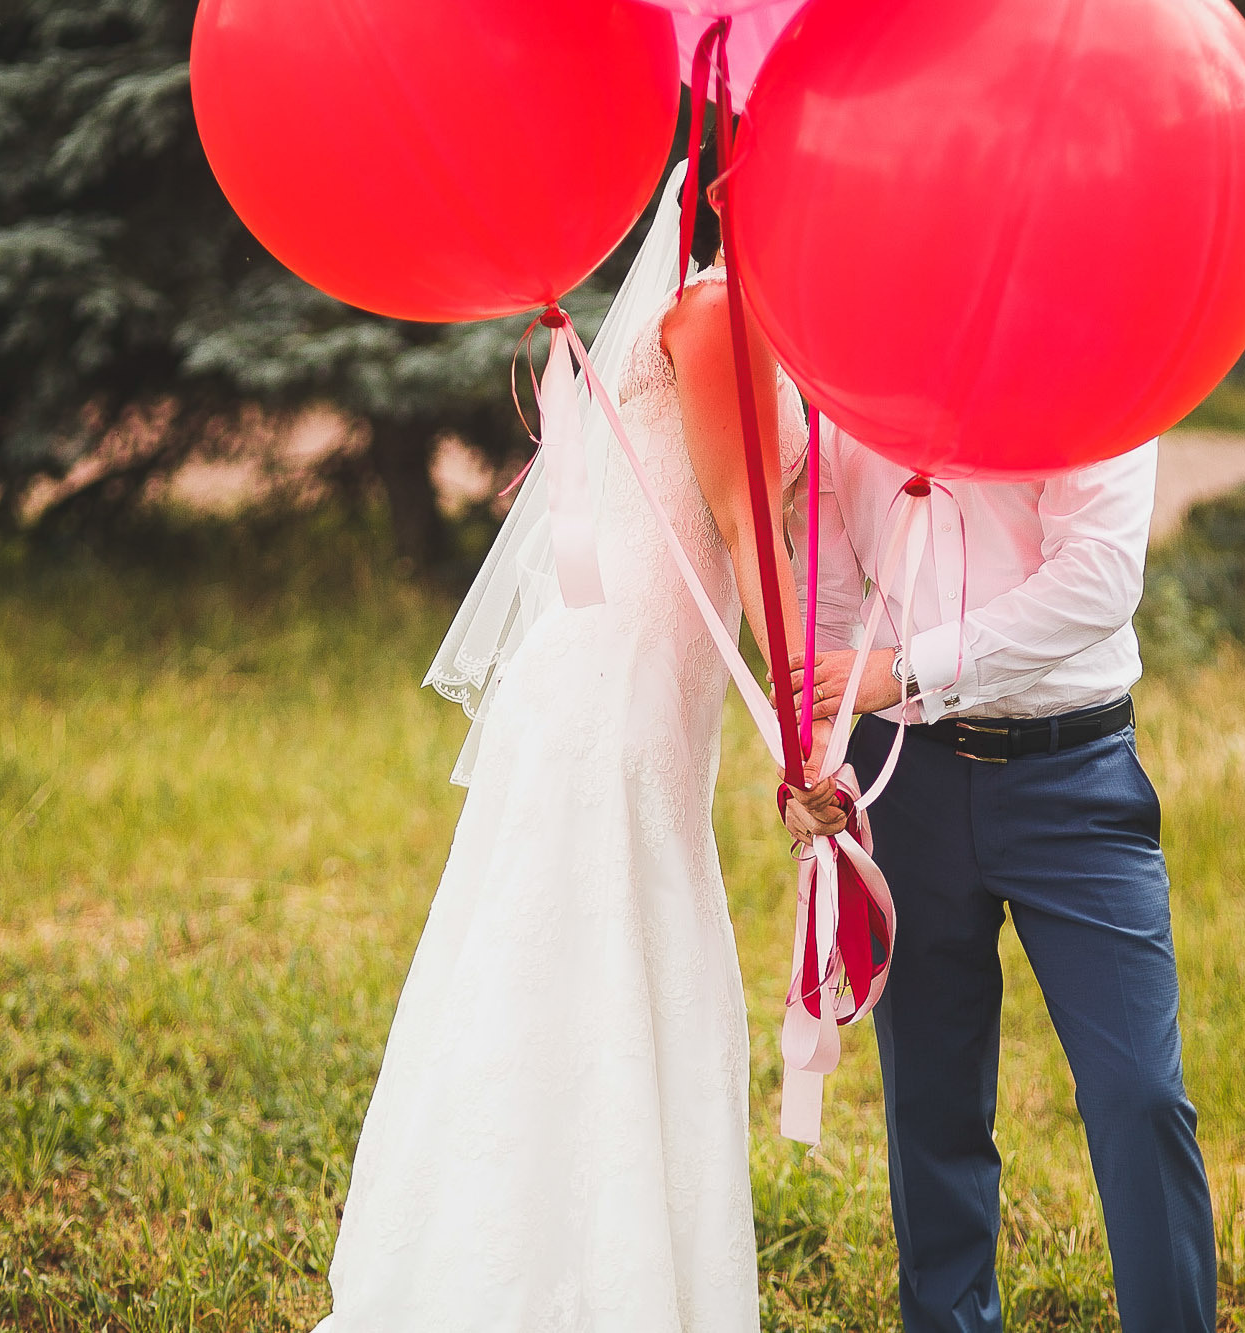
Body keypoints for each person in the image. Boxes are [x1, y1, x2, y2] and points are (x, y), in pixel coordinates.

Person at [312, 163, 837, 1333]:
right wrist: (801, 728)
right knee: (582, 962)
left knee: (618, 958)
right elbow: (751, 525)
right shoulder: (712, 311)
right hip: (613, 704)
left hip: (652, 702)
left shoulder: (758, 309)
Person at [786, 431, 1216, 1332]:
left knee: (1138, 1094)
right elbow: (825, 598)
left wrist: (907, 668)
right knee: (930, 1106)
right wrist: (818, 761)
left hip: (1074, 777)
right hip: (907, 774)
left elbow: (1098, 575)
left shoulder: (1085, 354)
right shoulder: (845, 370)